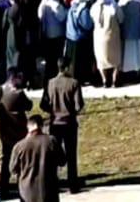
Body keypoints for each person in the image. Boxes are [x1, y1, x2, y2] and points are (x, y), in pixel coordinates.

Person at [40, 64, 85, 193]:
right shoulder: (74, 83)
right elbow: (79, 105)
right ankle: (73, 184)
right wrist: (72, 112)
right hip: (69, 123)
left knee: (53, 155)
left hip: (55, 123)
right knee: (71, 155)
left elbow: (43, 104)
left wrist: (52, 111)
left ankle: (53, 183)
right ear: (66, 68)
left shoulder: (50, 83)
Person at [9, 116, 63, 202]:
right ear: (42, 126)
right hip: (49, 190)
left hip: (27, 194)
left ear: (28, 127)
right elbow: (62, 161)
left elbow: (13, 169)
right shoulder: (52, 141)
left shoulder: (19, 146)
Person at [0, 71, 33, 196]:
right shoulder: (18, 93)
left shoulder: (1, 90)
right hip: (18, 131)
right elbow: (29, 106)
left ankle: (3, 188)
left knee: (6, 160)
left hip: (5, 132)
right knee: (21, 161)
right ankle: (21, 187)